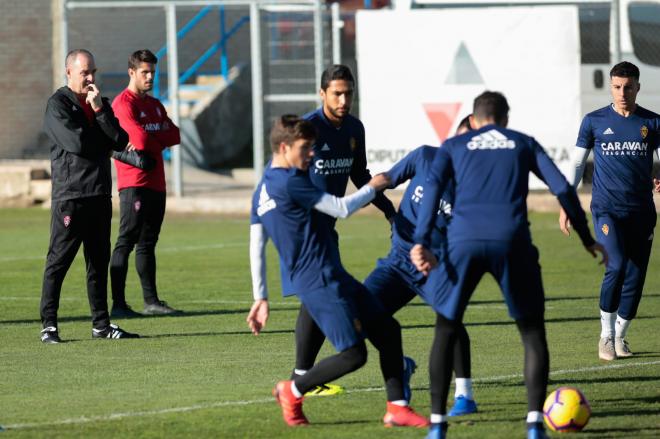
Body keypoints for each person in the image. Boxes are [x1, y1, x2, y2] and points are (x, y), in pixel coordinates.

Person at [410, 92, 607, 439]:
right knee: (531, 333)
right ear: (505, 118)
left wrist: (421, 242)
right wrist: (585, 237)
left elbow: (431, 188)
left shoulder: (454, 147)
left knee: (445, 329)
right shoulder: (522, 143)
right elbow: (562, 187)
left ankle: (438, 426)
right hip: (512, 242)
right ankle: (534, 424)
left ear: (473, 119)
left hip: (462, 243)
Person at [247, 115, 428, 428]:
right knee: (354, 355)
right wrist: (374, 187)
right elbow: (340, 208)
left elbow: (256, 241)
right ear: (284, 147)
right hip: (318, 280)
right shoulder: (291, 181)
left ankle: (397, 408)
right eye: (306, 148)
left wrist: (260, 296)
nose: (312, 155)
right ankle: (291, 390)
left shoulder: (263, 187)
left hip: (331, 273)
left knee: (388, 331)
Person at [287, 64, 401, 396]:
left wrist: (388, 209)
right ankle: (302, 379)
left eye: (348, 93)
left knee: (315, 298)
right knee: (324, 293)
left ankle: (302, 377)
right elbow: (285, 176)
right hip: (306, 230)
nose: (343, 99)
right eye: (336, 93)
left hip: (328, 227)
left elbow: (360, 173)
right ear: (322, 93)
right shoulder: (308, 129)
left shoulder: (354, 129)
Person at [361, 115, 478, 414]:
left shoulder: (476, 188)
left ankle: (465, 396)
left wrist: (438, 259)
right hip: (397, 262)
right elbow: (387, 177)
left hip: (436, 268)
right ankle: (400, 364)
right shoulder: (426, 156)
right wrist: (361, 196)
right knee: (358, 317)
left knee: (451, 320)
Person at [559, 61, 660, 361]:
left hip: (641, 211)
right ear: (611, 87)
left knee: (636, 275)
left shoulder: (653, 123)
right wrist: (567, 200)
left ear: (638, 87)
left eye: (628, 87)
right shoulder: (594, 121)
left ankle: (621, 337)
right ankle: (606, 335)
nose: (622, 92)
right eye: (617, 87)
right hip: (606, 209)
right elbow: (577, 164)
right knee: (615, 265)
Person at [40, 49, 139, 343]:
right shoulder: (57, 105)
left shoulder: (100, 104)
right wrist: (106, 145)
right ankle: (49, 325)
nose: (91, 77)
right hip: (71, 197)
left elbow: (120, 139)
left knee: (97, 263)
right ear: (69, 73)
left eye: (93, 71)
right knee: (58, 262)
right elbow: (78, 142)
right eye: (85, 72)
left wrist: (99, 112)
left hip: (98, 195)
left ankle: (101, 325)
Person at [109, 49, 182, 317]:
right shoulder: (123, 104)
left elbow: (174, 135)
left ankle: (151, 302)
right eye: (145, 72)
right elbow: (138, 141)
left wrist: (155, 137)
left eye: (153, 71)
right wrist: (157, 135)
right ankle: (118, 305)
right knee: (125, 241)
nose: (150, 76)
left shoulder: (154, 105)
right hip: (134, 184)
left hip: (157, 183)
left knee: (148, 243)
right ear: (132, 72)